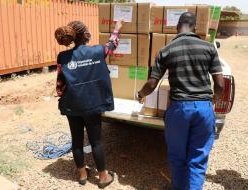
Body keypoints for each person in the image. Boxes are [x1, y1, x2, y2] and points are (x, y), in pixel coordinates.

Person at [137, 12, 225, 190]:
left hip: (179, 110)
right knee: (198, 159)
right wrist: (212, 99)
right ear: (195, 28)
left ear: (177, 27)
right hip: (204, 109)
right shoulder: (209, 48)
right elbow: (220, 84)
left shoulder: (166, 50)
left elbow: (152, 83)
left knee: (177, 157)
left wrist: (140, 94)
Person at [54, 20, 122, 188]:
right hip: (92, 105)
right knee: (96, 141)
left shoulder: (63, 57)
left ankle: (82, 175)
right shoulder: (98, 51)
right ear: (85, 35)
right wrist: (116, 29)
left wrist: (62, 97)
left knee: (76, 141)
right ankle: (103, 177)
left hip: (72, 105)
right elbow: (112, 44)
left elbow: (60, 85)